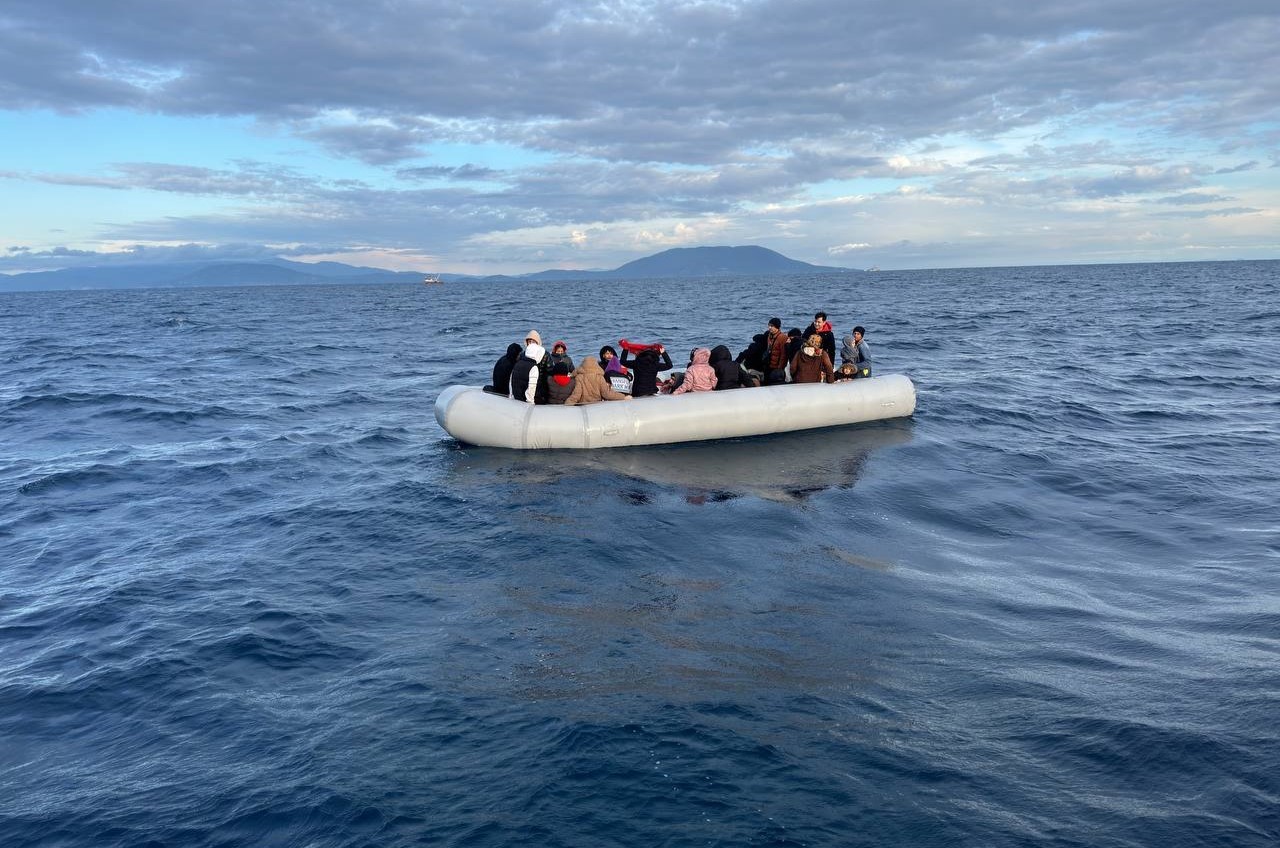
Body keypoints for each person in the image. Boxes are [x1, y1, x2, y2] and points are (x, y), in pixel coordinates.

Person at [564, 357, 631, 405]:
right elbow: (606, 394)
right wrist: (623, 397)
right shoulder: (600, 377)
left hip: (584, 405)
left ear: (583, 365)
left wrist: (566, 405)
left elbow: (576, 394)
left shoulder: (579, 377)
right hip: (597, 405)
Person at [509, 330, 550, 404]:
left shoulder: (545, 355)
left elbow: (549, 372)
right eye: (529, 341)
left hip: (540, 387)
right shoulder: (522, 354)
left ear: (538, 342)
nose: (531, 344)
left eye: (533, 342)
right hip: (526, 386)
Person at [763, 317, 789, 385]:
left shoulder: (782, 337)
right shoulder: (769, 336)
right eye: (769, 325)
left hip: (776, 366)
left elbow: (783, 355)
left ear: (777, 327)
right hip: (768, 364)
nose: (769, 327)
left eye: (772, 326)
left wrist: (780, 368)